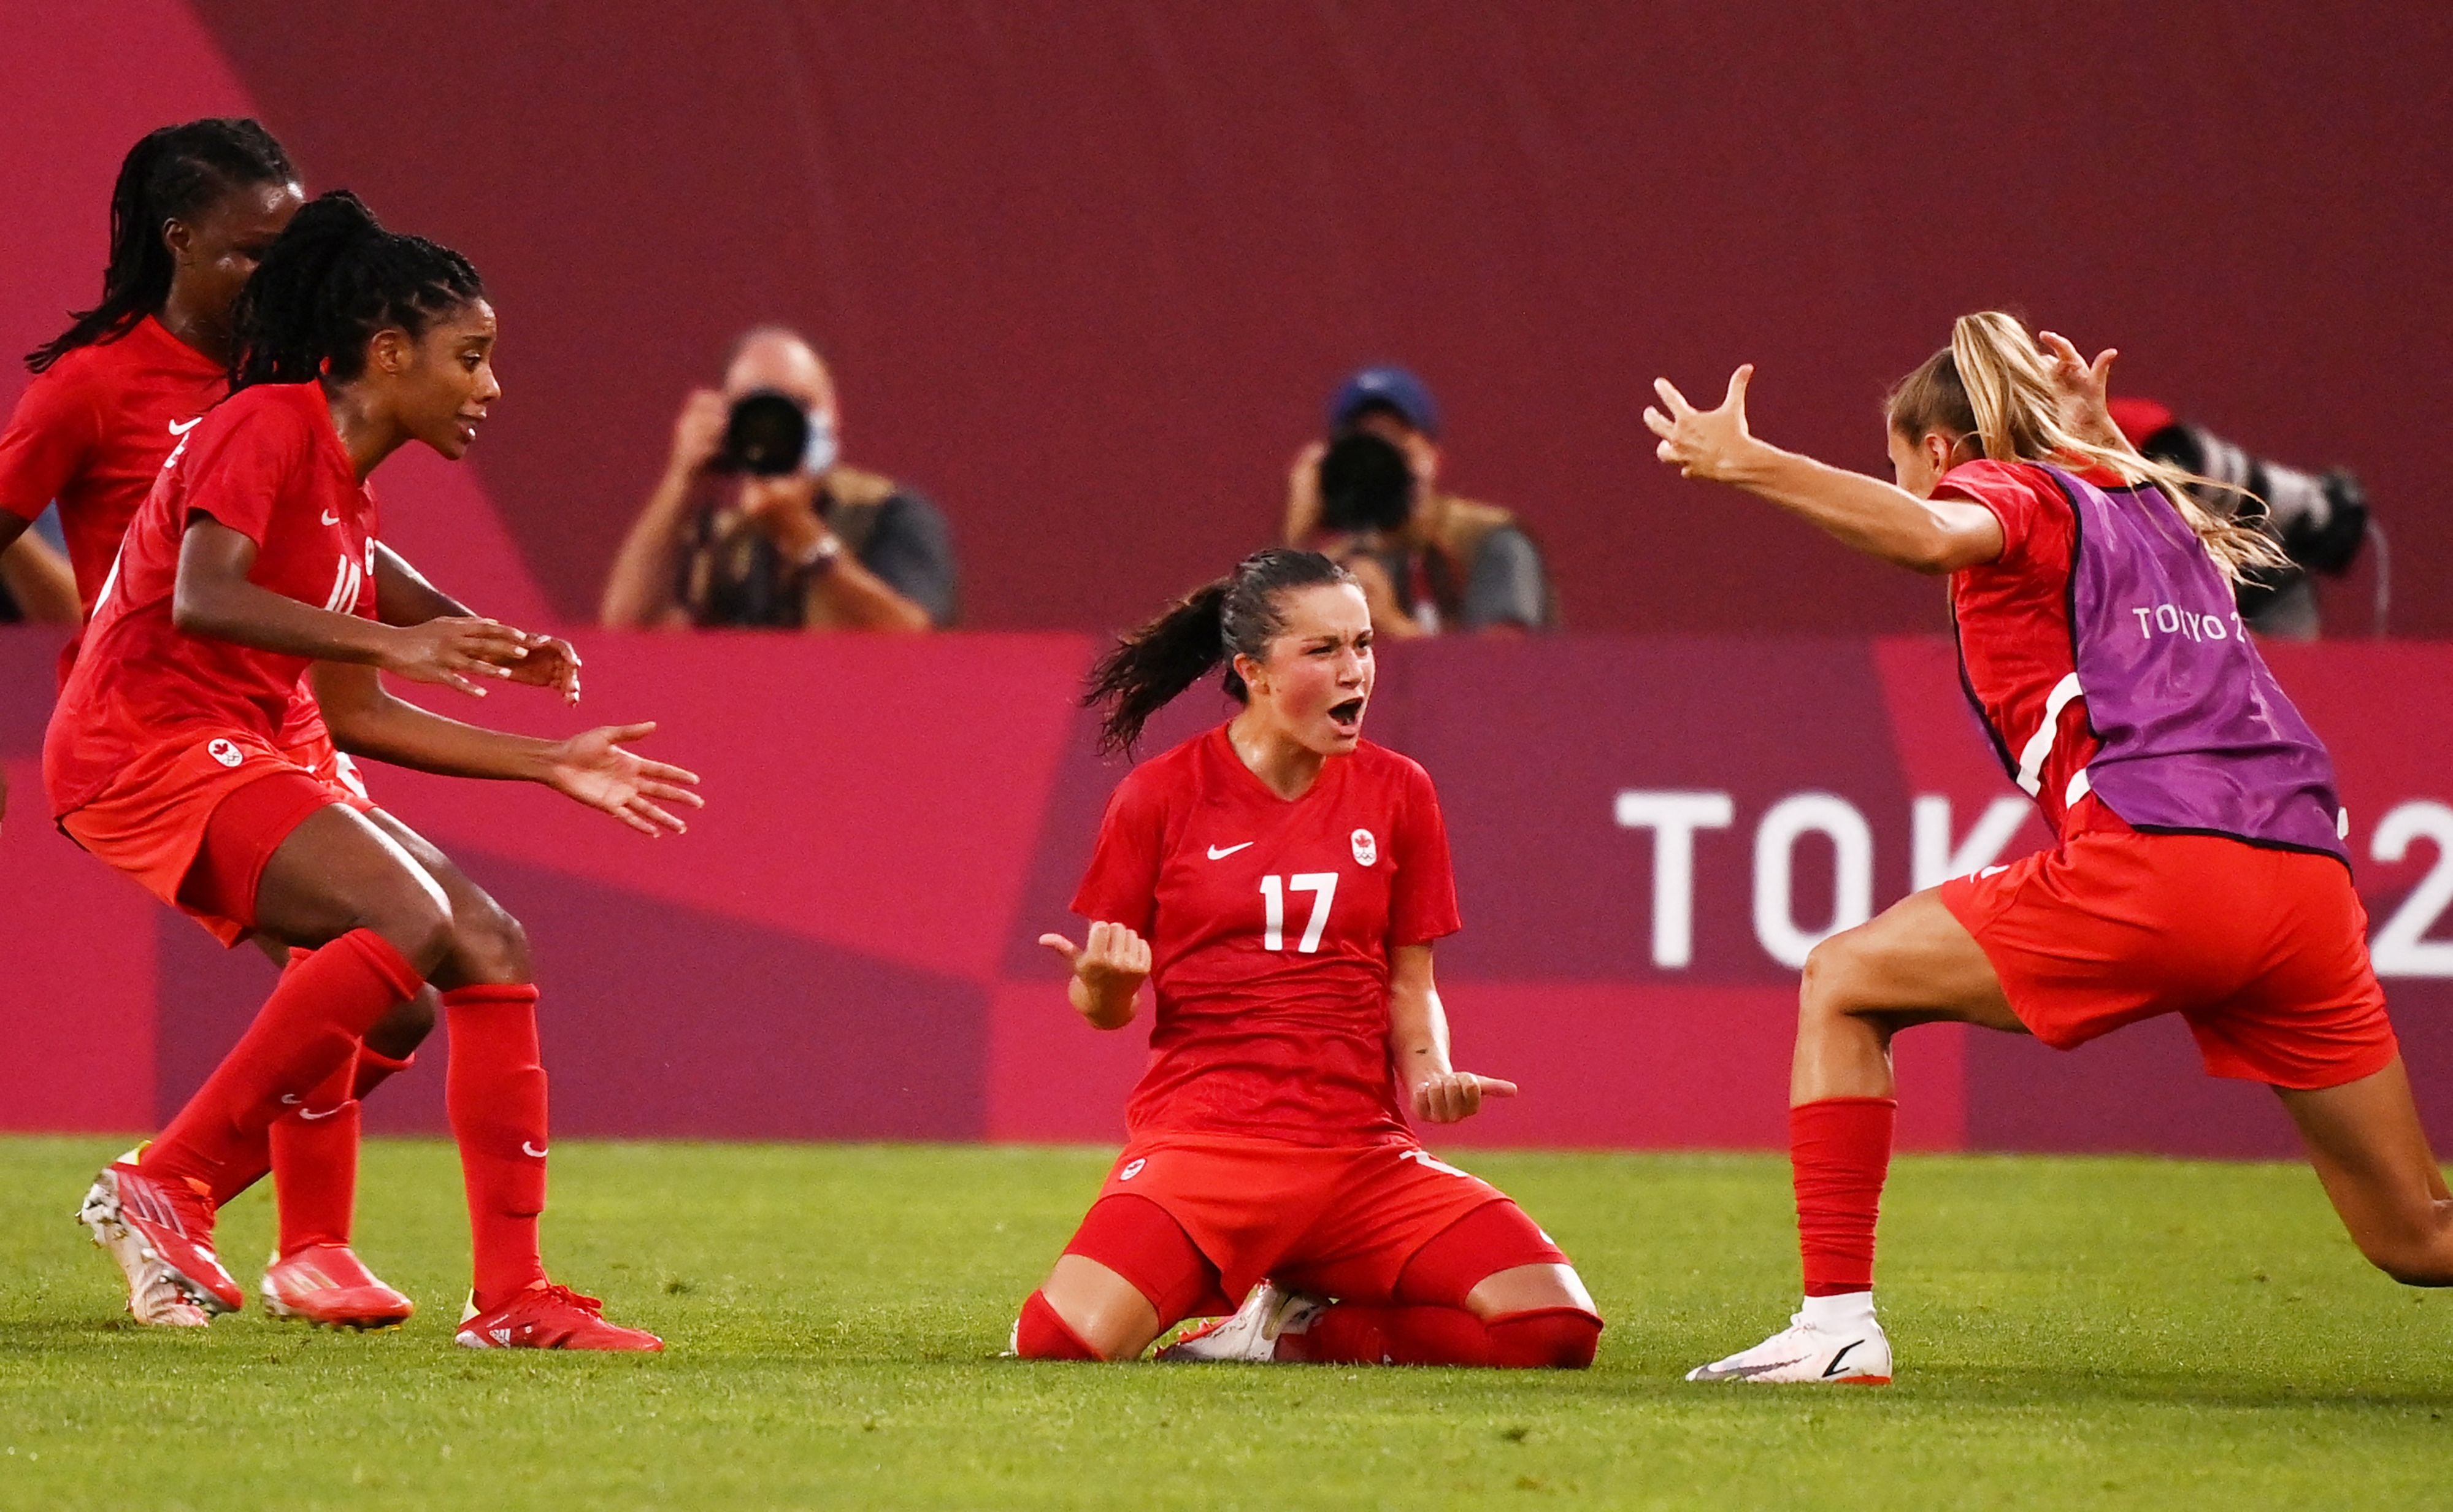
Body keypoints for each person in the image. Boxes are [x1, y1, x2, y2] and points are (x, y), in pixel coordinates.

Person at [1643, 312, 2447, 1386]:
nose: (1912, 491)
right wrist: (2083, 444)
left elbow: (1932, 534)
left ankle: (1834, 1328)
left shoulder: (2007, 491)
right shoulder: (2150, 511)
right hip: (2303, 886)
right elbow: (2087, 510)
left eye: (1903, 469)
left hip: (2165, 866)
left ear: (1939, 455)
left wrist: (1750, 464)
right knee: (2416, 1236)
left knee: (1841, 980)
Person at [48, 190, 699, 1350]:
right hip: (136, 743)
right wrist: (404, 635)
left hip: (233, 740)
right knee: (400, 915)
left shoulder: (343, 486)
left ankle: (510, 1301)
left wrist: (547, 761)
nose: (490, 387)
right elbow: (204, 597)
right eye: (472, 357)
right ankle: (174, 1179)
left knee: (477, 943)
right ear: (389, 353)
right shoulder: (266, 425)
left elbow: (355, 713)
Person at [1010, 548, 1601, 1368]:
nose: (1353, 670)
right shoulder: (1158, 796)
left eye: (1360, 644)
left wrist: (1430, 1070)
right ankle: (1234, 1298)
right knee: (1059, 1345)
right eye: (1321, 651)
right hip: (1204, 1149)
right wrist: (1104, 986)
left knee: (1553, 1330)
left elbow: (1409, 981)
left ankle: (1293, 1330)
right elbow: (1105, 1007)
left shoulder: (1400, 791)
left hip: (1359, 1157)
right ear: (1251, 670)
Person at [599, 328, 957, 632]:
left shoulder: (891, 513)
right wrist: (680, 481)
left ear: (834, 412)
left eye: (801, 405)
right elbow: (627, 632)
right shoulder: (720, 538)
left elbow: (917, 645)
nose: (781, 426)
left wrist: (800, 532)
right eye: (758, 408)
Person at [1281, 366, 1552, 636]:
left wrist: (1393, 624)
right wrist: (1292, 539)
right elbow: (1255, 653)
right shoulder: (1337, 564)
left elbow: (1505, 668)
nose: (1384, 468)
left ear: (1433, 457)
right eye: (1369, 452)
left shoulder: (1490, 542)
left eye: (1397, 445)